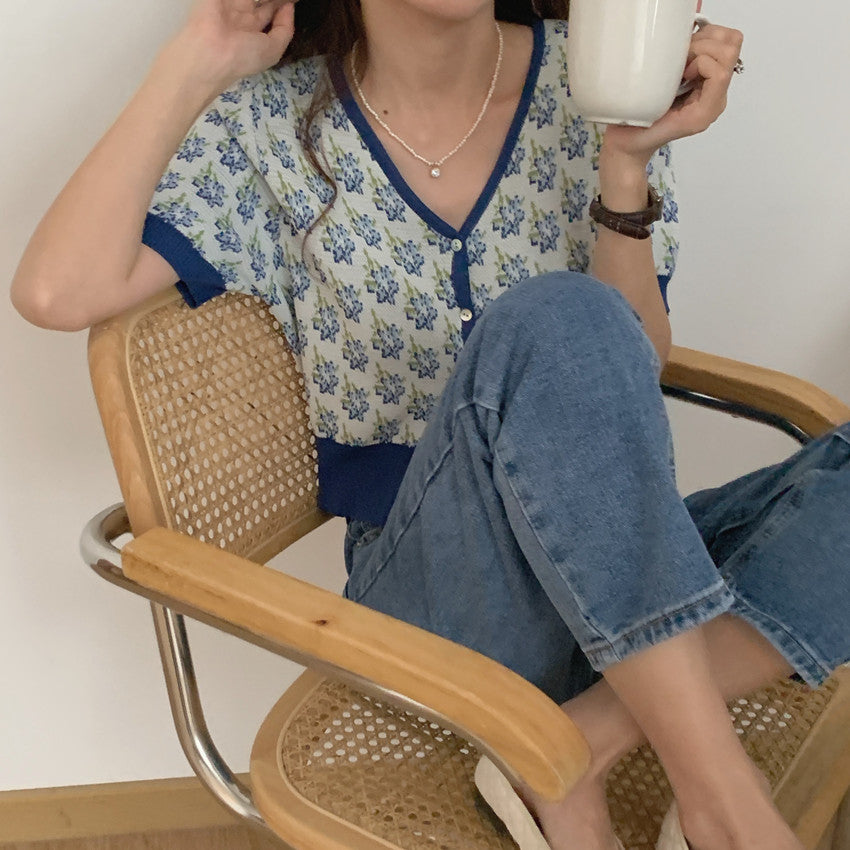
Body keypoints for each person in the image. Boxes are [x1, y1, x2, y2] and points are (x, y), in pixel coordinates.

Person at [10, 1, 850, 849]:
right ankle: (725, 805)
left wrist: (626, 162)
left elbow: (635, 359)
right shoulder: (271, 127)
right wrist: (196, 57)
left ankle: (580, 742)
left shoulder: (598, 80)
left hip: (622, 557)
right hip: (444, 606)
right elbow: (56, 291)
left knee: (586, 329)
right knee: (559, 316)